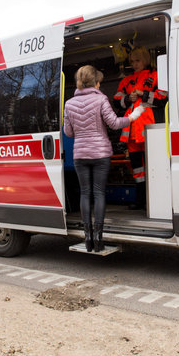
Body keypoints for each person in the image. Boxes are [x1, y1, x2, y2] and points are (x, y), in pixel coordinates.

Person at [63, 65, 145, 252]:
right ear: (96, 83)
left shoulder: (69, 104)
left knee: (85, 193)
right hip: (100, 154)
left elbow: (68, 132)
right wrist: (132, 117)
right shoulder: (101, 99)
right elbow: (115, 123)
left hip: (81, 155)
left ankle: (87, 238)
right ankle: (98, 238)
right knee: (99, 193)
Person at [113, 47, 167, 210]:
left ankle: (158, 198)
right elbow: (116, 100)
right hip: (132, 133)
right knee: (137, 169)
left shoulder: (156, 75)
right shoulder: (126, 80)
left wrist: (143, 94)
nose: (134, 64)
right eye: (132, 61)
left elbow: (164, 97)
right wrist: (128, 98)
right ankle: (140, 199)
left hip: (152, 130)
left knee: (156, 166)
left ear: (145, 60)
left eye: (138, 61)